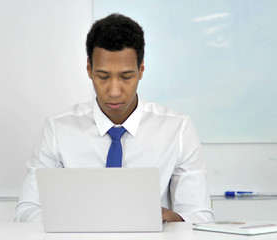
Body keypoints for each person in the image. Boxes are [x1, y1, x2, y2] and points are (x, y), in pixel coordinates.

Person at [15, 13, 214, 223]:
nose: (114, 91)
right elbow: (26, 211)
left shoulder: (177, 129)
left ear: (141, 70)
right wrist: (76, 220)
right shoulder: (58, 129)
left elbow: (200, 216)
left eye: (126, 77)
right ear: (89, 70)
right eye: (103, 76)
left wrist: (169, 218)